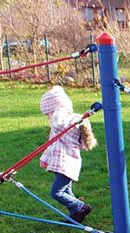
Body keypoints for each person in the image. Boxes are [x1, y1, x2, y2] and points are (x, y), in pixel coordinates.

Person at [39, 86, 97, 223]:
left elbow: (58, 124)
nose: (48, 117)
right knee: (66, 191)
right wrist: (45, 159)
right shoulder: (65, 124)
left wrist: (60, 108)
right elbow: (52, 144)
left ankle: (80, 207)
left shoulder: (68, 123)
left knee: (56, 192)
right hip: (63, 164)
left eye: (49, 113)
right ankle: (75, 215)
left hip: (66, 163)